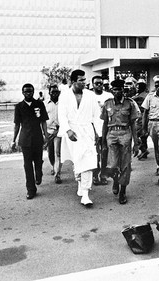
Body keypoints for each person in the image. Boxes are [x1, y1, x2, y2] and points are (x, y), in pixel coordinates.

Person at [58, 69, 101, 206]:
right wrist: (68, 130)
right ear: (73, 81)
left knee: (88, 161)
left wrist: (98, 133)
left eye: (85, 79)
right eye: (81, 80)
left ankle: (86, 194)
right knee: (77, 160)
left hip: (87, 131)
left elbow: (96, 116)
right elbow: (62, 115)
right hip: (72, 131)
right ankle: (80, 184)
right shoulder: (64, 95)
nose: (84, 82)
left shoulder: (90, 95)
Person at [101, 79, 139, 204]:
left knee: (125, 165)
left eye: (119, 89)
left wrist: (136, 143)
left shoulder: (130, 104)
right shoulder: (107, 104)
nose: (117, 91)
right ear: (111, 90)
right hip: (111, 134)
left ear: (123, 90)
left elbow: (133, 124)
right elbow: (105, 123)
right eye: (115, 89)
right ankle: (116, 180)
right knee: (112, 164)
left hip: (125, 134)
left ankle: (123, 191)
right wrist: (102, 142)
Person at [12, 83, 49, 200]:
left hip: (37, 138)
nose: (29, 93)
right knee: (27, 165)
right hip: (25, 140)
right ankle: (31, 189)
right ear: (23, 93)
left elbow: (43, 121)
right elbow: (17, 125)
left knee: (38, 162)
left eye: (30, 91)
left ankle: (39, 174)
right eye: (26, 91)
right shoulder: (19, 107)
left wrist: (46, 135)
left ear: (33, 92)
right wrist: (13, 140)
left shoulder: (39, 104)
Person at [91, 75, 114, 185]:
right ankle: (95, 175)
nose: (99, 85)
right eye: (97, 83)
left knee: (105, 154)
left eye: (101, 83)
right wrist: (93, 131)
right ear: (93, 85)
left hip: (107, 130)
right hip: (93, 130)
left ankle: (103, 175)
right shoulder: (89, 97)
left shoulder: (109, 96)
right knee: (95, 155)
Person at [45, 84, 62, 184]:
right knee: (50, 152)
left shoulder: (63, 104)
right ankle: (53, 166)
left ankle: (57, 174)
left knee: (57, 152)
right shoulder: (45, 103)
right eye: (53, 92)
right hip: (48, 131)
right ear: (49, 93)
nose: (55, 94)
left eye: (56, 92)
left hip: (59, 131)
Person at [133, 78, 150, 160]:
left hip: (142, 117)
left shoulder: (142, 96)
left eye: (138, 86)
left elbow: (134, 99)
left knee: (137, 135)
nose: (137, 87)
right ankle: (144, 151)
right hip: (141, 116)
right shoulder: (144, 94)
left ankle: (143, 150)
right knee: (143, 136)